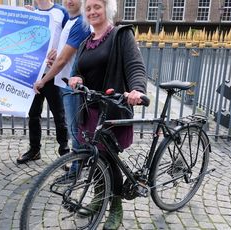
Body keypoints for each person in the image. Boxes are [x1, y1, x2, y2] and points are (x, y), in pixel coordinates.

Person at [68, 0, 147, 228]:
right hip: (90, 111)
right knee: (95, 158)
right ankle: (98, 197)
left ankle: (116, 207)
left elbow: (135, 66)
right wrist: (77, 79)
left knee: (110, 161)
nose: (92, 11)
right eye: (88, 8)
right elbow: (80, 71)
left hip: (112, 109)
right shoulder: (85, 43)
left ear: (107, 9)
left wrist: (137, 90)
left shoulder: (121, 36)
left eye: (97, 6)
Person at [33, 0, 90, 154]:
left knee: (72, 125)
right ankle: (74, 163)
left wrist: (44, 80)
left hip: (70, 83)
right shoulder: (72, 20)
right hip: (62, 81)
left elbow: (64, 58)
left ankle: (72, 161)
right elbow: (63, 51)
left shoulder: (78, 22)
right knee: (74, 127)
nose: (70, 1)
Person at [17, 0, 70, 164]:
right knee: (33, 115)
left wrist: (58, 55)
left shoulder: (61, 12)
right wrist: (24, 16)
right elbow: (21, 42)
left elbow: (69, 40)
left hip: (53, 75)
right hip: (34, 75)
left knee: (59, 116)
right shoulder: (30, 13)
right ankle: (34, 150)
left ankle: (65, 153)